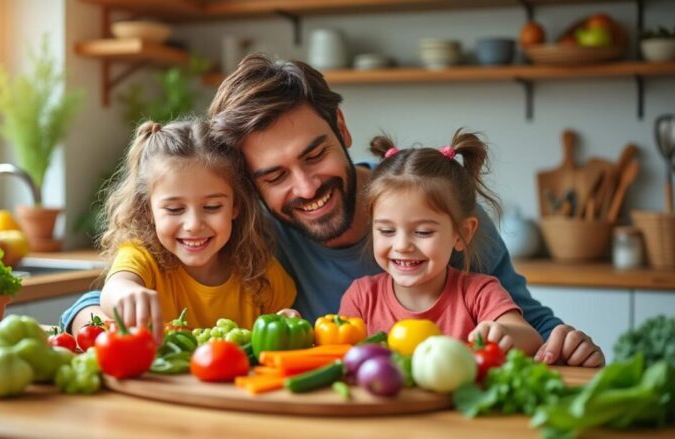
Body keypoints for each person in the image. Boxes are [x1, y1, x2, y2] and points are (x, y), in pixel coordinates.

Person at [62, 54, 603, 366]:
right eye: (273, 176)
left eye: (314, 153)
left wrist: (568, 345)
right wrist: (102, 306)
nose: (305, 187)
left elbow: (528, 325)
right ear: (249, 189)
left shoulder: (437, 210)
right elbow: (119, 292)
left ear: (341, 129)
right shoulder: (257, 234)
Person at [86, 118, 296, 342]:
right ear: (148, 210)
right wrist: (126, 293)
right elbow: (114, 287)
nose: (194, 224)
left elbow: (286, 325)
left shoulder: (262, 271)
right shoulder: (142, 257)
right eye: (175, 209)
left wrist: (288, 322)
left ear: (235, 206)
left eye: (212, 207)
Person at [339, 131, 542, 354]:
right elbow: (338, 356)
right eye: (386, 230)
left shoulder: (479, 293)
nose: (402, 245)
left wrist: (504, 333)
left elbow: (531, 339)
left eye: (423, 232)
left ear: (461, 233)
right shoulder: (360, 298)